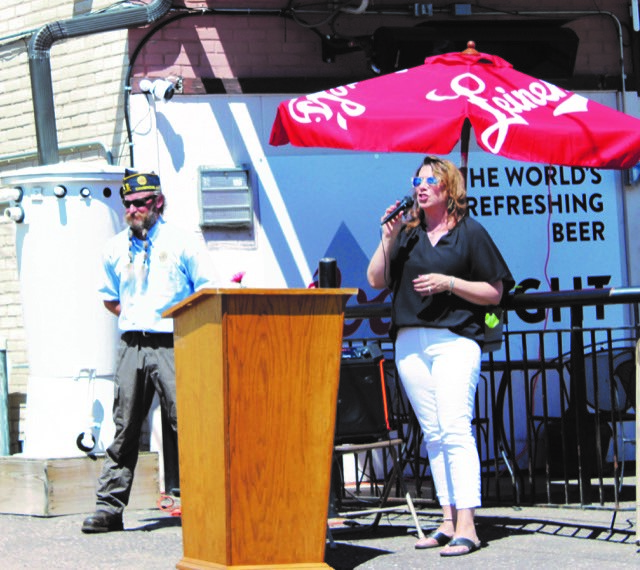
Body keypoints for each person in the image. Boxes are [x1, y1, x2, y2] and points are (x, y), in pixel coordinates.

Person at [367, 156, 514, 557]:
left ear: (449, 188)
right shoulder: (409, 234)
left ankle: (468, 524)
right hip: (410, 342)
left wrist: (449, 282)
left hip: (455, 339)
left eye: (431, 180)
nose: (422, 185)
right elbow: (376, 279)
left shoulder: (470, 232)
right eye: (418, 179)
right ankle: (447, 521)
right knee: (433, 433)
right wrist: (388, 236)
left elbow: (495, 292)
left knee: (454, 427)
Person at [82, 169, 219, 533]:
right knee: (125, 427)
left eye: (141, 203)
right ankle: (109, 508)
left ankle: (205, 502)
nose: (133, 210)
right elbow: (111, 299)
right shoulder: (113, 248)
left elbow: (206, 292)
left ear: (158, 201)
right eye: (127, 204)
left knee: (188, 424)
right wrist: (136, 316)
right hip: (132, 344)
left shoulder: (183, 242)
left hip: (174, 342)